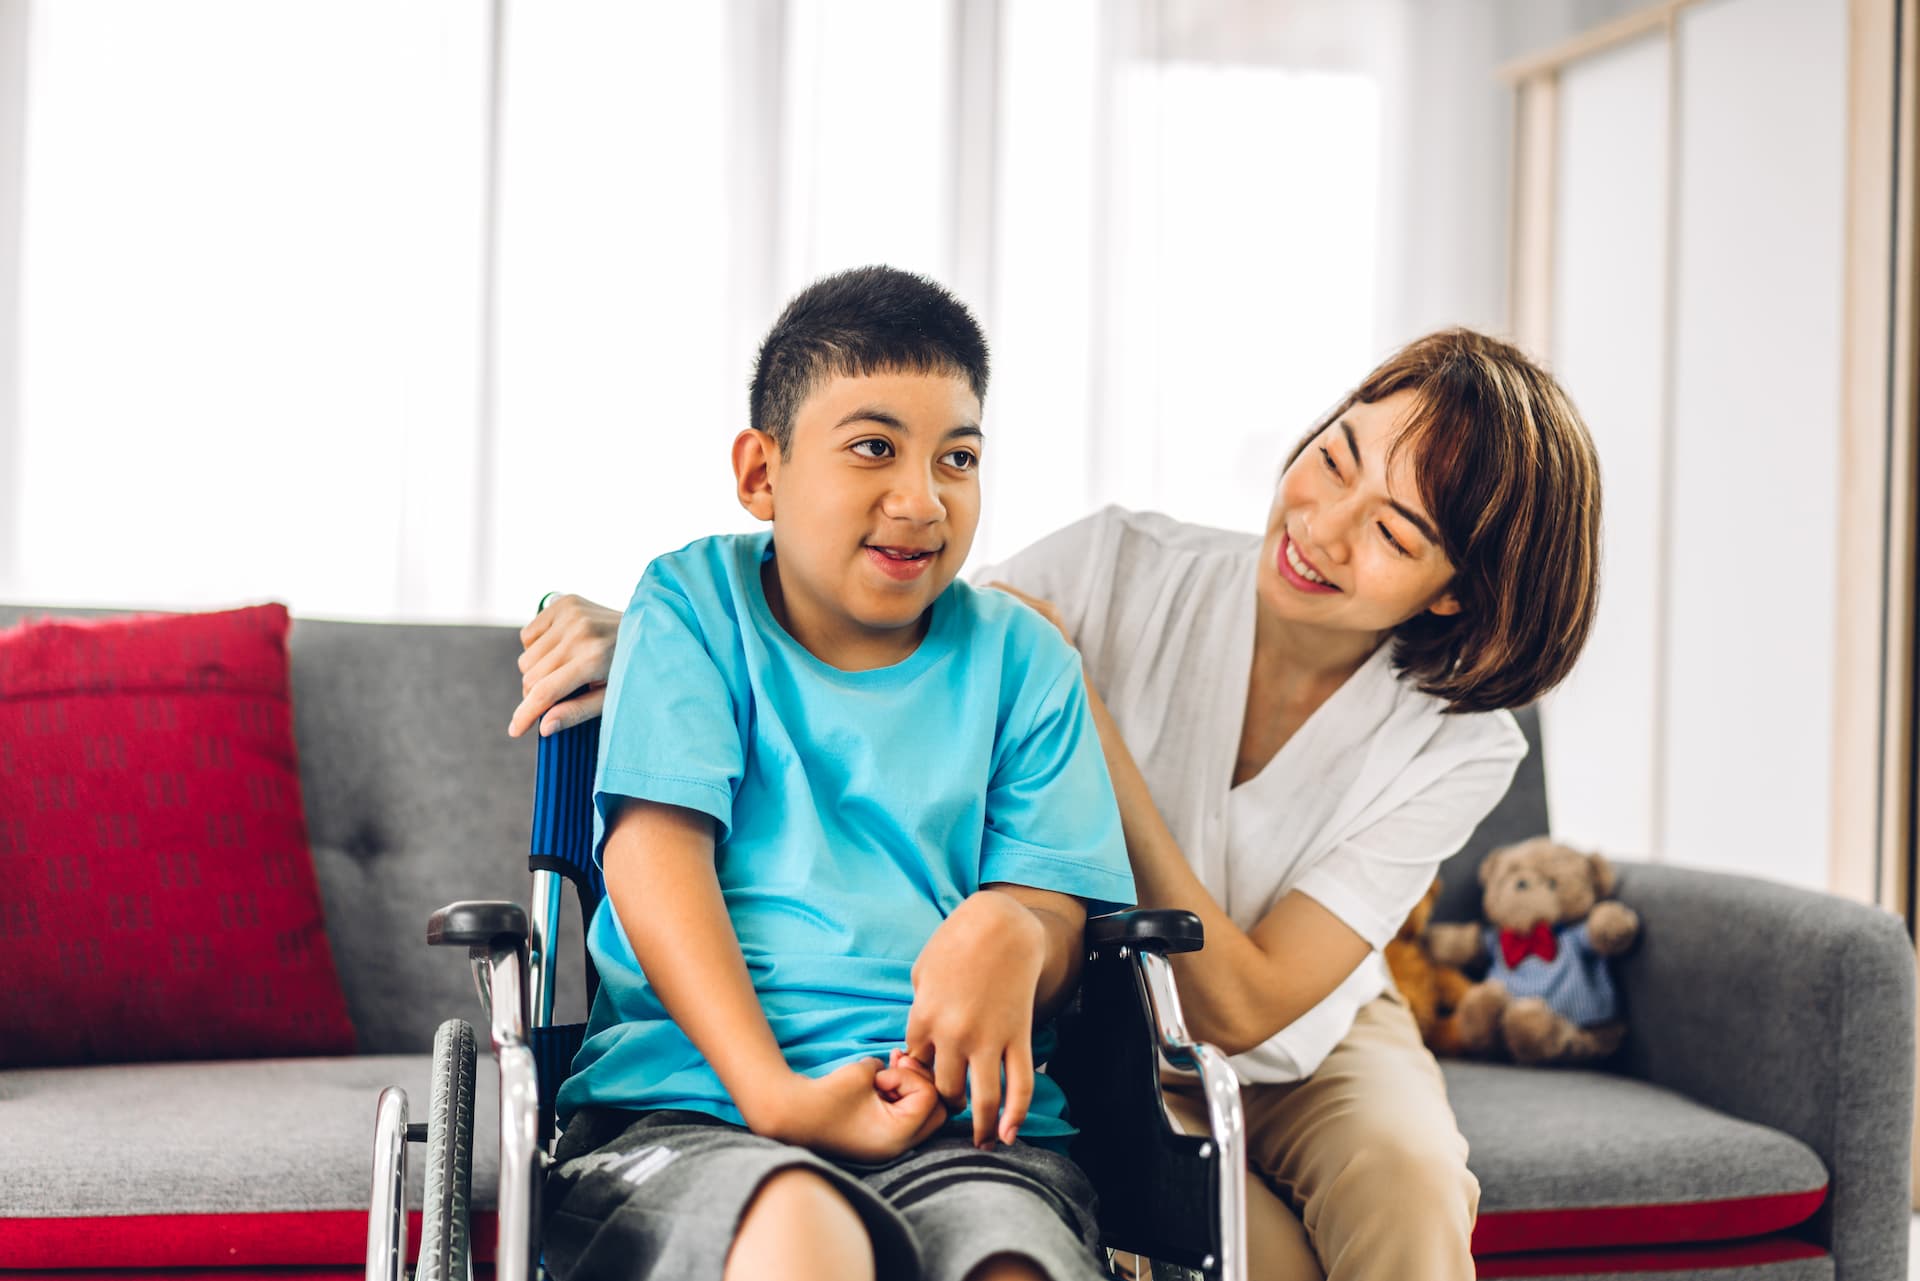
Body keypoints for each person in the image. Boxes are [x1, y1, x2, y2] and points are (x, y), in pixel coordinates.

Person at [516, 327, 1602, 1281]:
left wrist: (1092, 727)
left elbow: (1244, 1004)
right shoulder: (1121, 562)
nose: (1323, 526)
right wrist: (655, 639)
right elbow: (882, 605)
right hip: (1110, 1022)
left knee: (1410, 1189)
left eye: (1397, 533)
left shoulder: (1461, 743)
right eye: (1332, 459)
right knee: (1252, 1257)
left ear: (1454, 588)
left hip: (1296, 1031)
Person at [536, 265, 1135, 1281]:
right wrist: (773, 1092)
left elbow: (1063, 922)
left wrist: (1020, 930)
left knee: (1011, 1268)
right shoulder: (690, 605)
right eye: (873, 448)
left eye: (959, 458)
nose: (922, 498)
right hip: (694, 1105)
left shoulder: (1023, 661)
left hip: (962, 1126)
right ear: (761, 473)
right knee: (799, 1239)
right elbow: (651, 855)